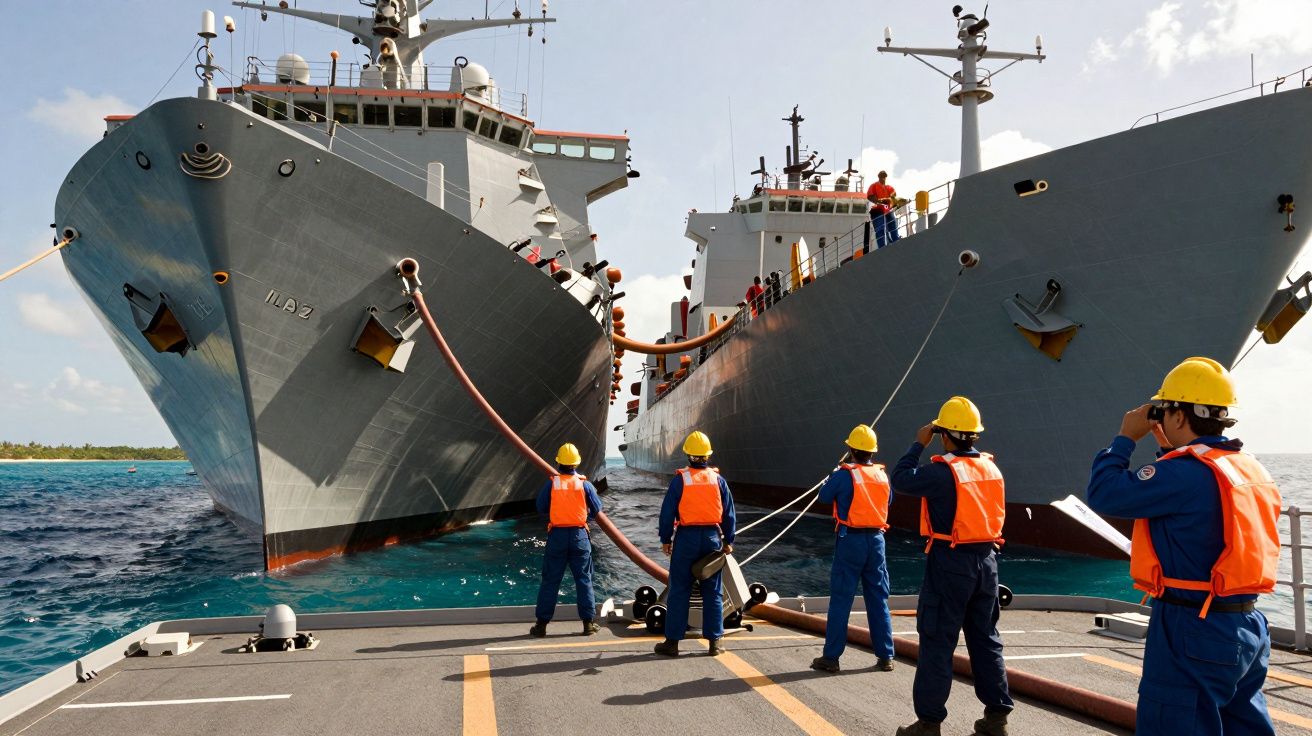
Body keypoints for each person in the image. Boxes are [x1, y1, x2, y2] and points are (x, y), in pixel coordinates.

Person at [1086, 357, 1280, 736]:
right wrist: (1167, 453)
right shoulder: (1248, 467)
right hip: (1248, 625)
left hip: (1192, 625)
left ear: (1177, 416)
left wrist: (1125, 438)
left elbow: (1104, 493)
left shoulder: (1182, 473)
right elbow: (1195, 503)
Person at [891, 396, 1012, 736]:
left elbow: (900, 478)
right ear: (975, 435)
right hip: (987, 561)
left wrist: (918, 442)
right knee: (986, 639)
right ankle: (996, 718)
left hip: (950, 562)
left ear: (944, 434)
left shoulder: (941, 472)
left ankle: (929, 723)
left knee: (937, 640)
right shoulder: (992, 468)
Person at [810, 425, 896, 674]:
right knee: (878, 599)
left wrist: (834, 473)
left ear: (850, 450)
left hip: (851, 541)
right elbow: (888, 500)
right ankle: (886, 656)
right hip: (877, 541)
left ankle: (831, 658)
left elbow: (824, 497)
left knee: (841, 599)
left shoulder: (844, 474)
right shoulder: (882, 475)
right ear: (872, 451)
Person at [654, 430, 737, 657]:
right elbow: (729, 514)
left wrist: (665, 539)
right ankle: (715, 642)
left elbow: (667, 513)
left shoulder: (681, 480)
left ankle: (672, 643)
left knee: (679, 589)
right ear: (708, 455)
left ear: (688, 455)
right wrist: (729, 540)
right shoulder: (718, 480)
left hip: (686, 538)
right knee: (713, 591)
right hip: (712, 538)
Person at [530, 443, 604, 638]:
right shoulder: (585, 484)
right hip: (579, 536)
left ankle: (541, 625)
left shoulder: (552, 484)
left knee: (550, 580)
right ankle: (588, 624)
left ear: (558, 462)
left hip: (557, 537)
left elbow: (541, 506)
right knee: (584, 579)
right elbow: (597, 508)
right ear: (576, 463)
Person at [867, 170, 901, 248]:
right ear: (879, 177)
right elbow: (871, 196)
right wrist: (881, 201)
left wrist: (888, 200)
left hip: (887, 209)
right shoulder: (873, 186)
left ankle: (896, 242)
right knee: (880, 228)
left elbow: (893, 197)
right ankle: (882, 247)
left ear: (886, 177)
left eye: (884, 176)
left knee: (893, 225)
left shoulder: (890, 188)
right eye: (881, 176)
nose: (883, 178)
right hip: (877, 209)